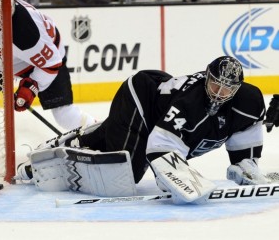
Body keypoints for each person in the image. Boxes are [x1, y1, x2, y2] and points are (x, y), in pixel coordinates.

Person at [16, 56, 269, 204]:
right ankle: (79, 139)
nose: (219, 93)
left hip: (160, 109)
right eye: (215, 85)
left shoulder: (250, 101)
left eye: (227, 89)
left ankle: (105, 130)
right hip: (142, 97)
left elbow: (248, 131)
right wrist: (171, 176)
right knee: (125, 173)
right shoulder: (189, 103)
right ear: (206, 77)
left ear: (238, 89)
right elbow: (160, 146)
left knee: (124, 160)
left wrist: (245, 163)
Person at [0, 0, 95, 131]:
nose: (1, 15)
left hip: (44, 61)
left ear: (13, 2)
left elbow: (51, 64)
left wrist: (29, 89)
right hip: (1, 56)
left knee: (66, 116)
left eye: (5, 8)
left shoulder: (26, 33)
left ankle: (101, 133)